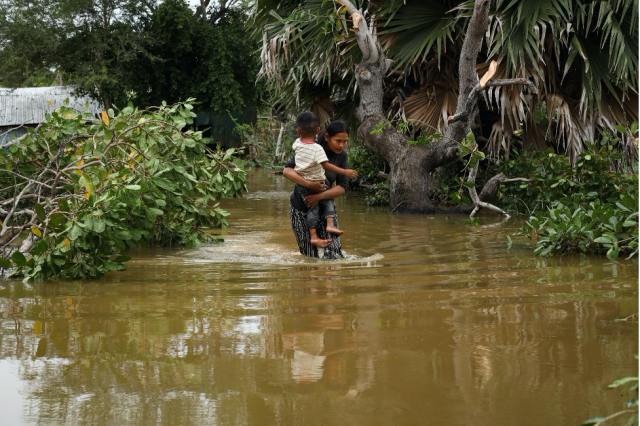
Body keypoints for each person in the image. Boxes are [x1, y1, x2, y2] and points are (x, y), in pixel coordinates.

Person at [284, 119, 353, 259]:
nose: (342, 145)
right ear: (327, 137)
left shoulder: (342, 156)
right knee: (310, 256)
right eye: (338, 140)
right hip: (301, 207)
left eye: (345, 141)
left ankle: (330, 280)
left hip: (326, 209)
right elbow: (287, 170)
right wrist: (309, 184)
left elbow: (343, 187)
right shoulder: (309, 148)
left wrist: (319, 197)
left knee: (334, 254)